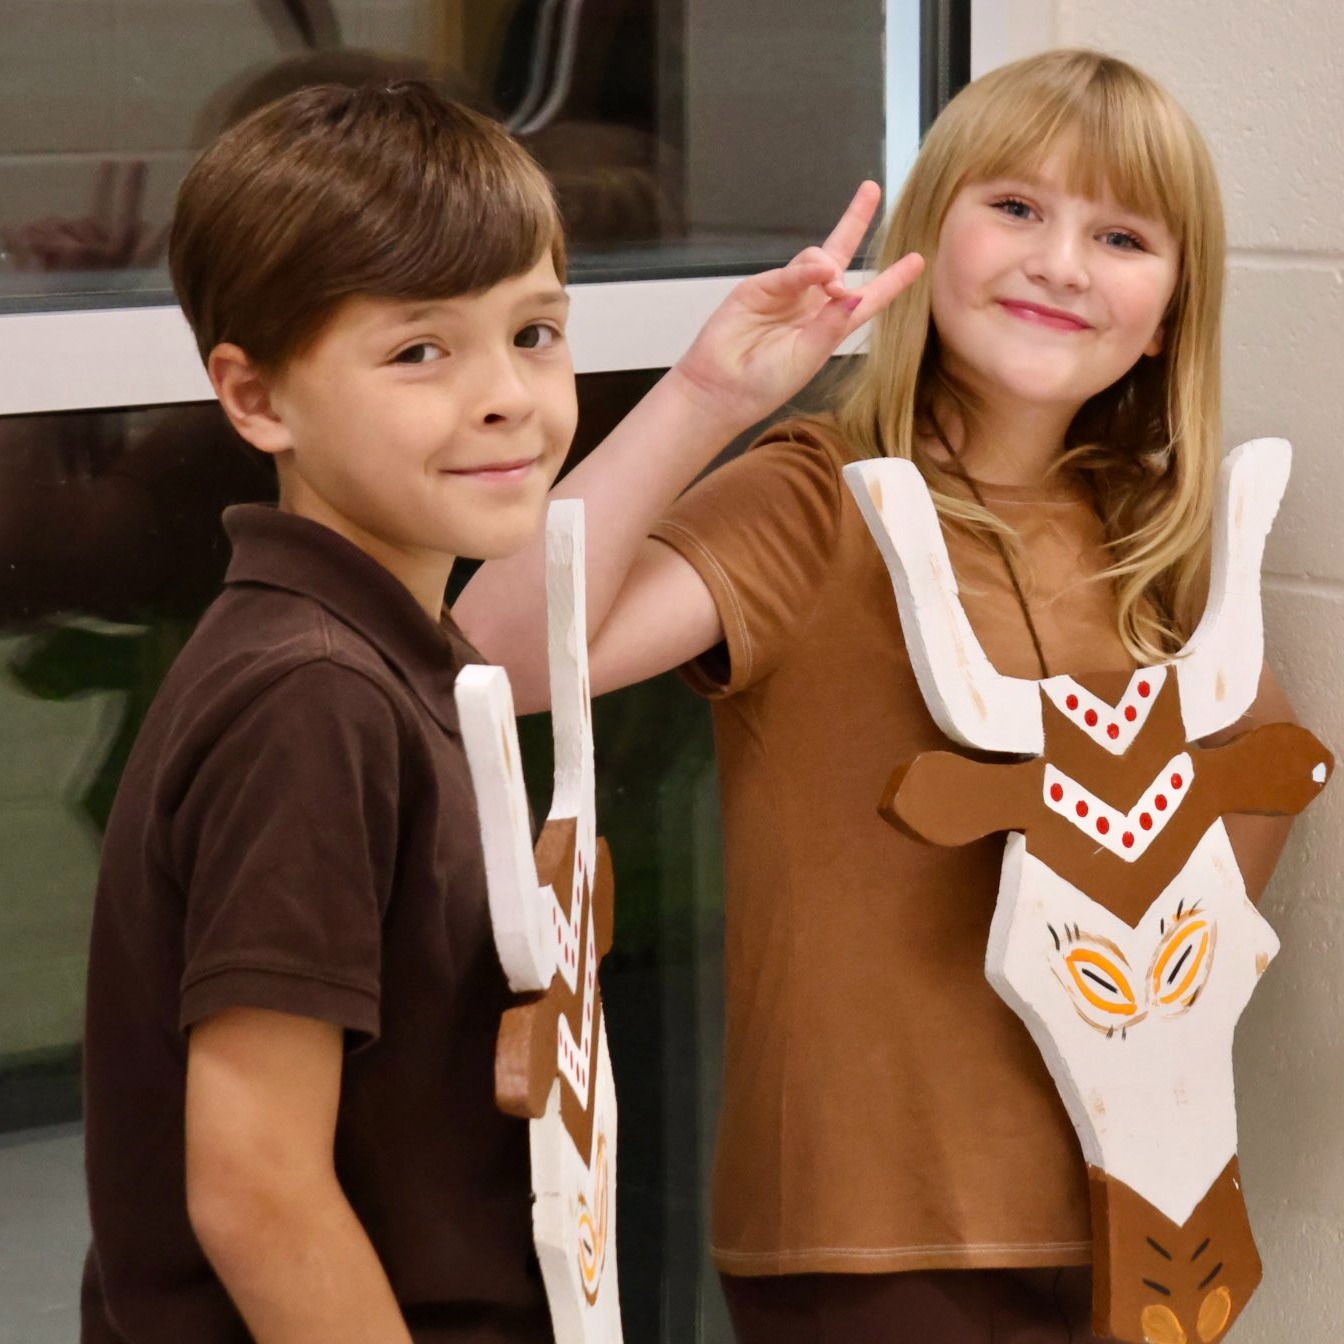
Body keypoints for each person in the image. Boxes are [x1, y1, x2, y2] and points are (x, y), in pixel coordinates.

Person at [455, 49, 1299, 1343]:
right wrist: (705, 399)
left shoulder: (1154, 541)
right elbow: (500, 654)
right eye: (1016, 208)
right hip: (863, 1231)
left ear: (1175, 304)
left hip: (1139, 1213)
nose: (1063, 262)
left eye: (1121, 232)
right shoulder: (815, 493)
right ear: (930, 232)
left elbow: (1247, 814)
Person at [78, 78, 917, 1343]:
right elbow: (255, 1189)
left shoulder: (376, 652)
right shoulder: (310, 698)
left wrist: (705, 394)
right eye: (420, 351)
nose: (506, 397)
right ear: (256, 400)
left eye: (533, 334)